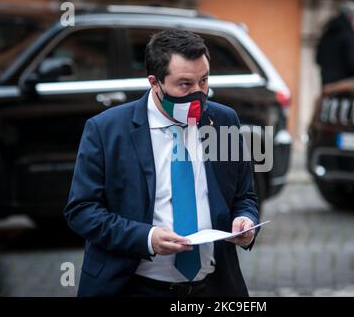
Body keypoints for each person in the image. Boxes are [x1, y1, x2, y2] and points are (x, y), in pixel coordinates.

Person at [64, 29, 259, 297]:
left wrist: (245, 220)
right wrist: (146, 237)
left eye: (204, 81)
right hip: (131, 287)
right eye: (185, 84)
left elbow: (244, 195)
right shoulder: (106, 129)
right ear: (154, 83)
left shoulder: (224, 121)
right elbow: (82, 210)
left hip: (212, 288)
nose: (198, 93)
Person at [316, 0, 354, 86]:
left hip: (327, 82)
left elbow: (318, 58)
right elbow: (353, 61)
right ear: (350, 15)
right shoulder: (347, 32)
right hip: (344, 83)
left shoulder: (328, 31)